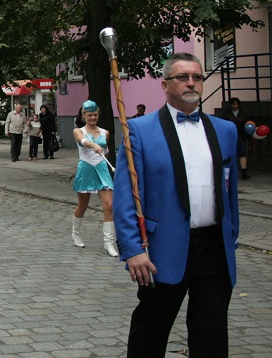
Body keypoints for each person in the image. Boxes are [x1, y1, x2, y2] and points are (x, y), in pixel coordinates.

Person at [114, 52, 240, 357]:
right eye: (182, 77)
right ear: (165, 84)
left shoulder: (225, 130)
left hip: (213, 247)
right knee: (151, 329)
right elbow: (127, 196)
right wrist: (132, 250)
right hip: (163, 248)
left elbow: (230, 188)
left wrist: (231, 234)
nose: (191, 83)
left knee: (211, 330)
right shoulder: (140, 131)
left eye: (197, 77)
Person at [70, 100, 117, 256]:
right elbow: (81, 141)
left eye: (95, 115)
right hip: (86, 169)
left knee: (109, 205)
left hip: (102, 169)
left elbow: (107, 151)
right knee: (82, 206)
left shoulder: (105, 132)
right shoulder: (79, 131)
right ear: (84, 115)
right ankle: (76, 234)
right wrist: (93, 145)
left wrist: (103, 152)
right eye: (90, 115)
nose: (93, 118)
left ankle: (109, 244)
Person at [220, 97, 252, 180]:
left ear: (238, 105)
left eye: (235, 104)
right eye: (232, 104)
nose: (234, 106)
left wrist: (249, 137)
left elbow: (247, 126)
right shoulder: (226, 114)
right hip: (230, 137)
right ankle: (231, 171)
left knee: (242, 153)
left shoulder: (243, 114)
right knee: (231, 154)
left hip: (241, 136)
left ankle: (244, 172)